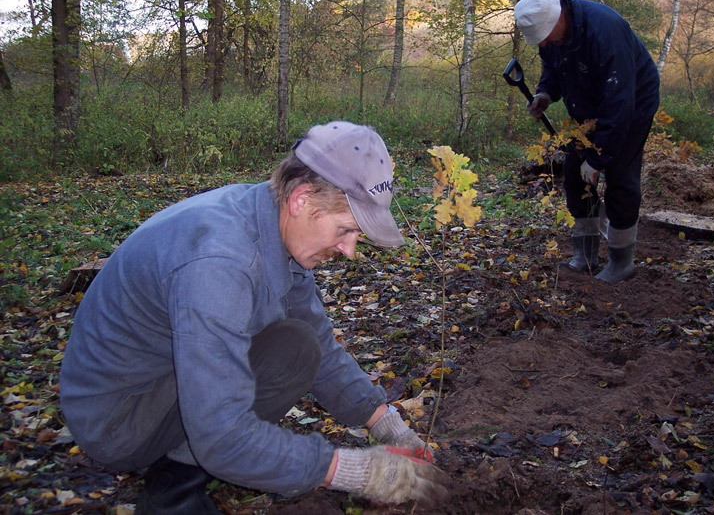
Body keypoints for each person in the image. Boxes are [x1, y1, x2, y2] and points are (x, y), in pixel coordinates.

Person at [59, 121, 449, 514]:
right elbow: (221, 433)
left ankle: (180, 464)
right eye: (346, 229)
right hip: (118, 418)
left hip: (160, 379)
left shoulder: (272, 224)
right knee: (254, 393)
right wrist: (354, 471)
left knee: (298, 346)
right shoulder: (220, 261)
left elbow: (321, 347)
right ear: (301, 199)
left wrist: (385, 423)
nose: (349, 250)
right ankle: (172, 492)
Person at [514, 0, 660, 283]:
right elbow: (554, 68)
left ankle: (621, 262)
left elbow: (619, 105)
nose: (542, 43)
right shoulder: (553, 37)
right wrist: (545, 92)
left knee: (619, 177)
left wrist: (598, 158)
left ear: (558, 17)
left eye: (544, 36)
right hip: (588, 108)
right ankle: (586, 253)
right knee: (574, 174)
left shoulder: (605, 31)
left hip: (631, 106)